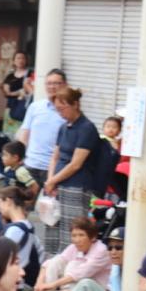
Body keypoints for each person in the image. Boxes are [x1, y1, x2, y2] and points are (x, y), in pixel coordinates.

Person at [42, 86, 101, 254]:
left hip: (76, 185)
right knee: (52, 228)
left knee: (72, 231)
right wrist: (50, 180)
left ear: (75, 104)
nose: (60, 113)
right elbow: (55, 156)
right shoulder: (63, 127)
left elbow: (76, 164)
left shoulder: (86, 128)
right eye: (57, 109)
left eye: (63, 108)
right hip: (57, 184)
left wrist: (53, 180)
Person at [35, 217, 112, 291]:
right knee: (55, 262)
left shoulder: (101, 250)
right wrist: (39, 282)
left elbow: (79, 274)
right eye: (74, 235)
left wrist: (52, 285)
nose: (77, 240)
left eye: (81, 235)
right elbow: (50, 263)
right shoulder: (74, 247)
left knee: (73, 266)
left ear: (93, 237)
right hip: (79, 288)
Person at [17, 68, 67, 187]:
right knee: (24, 204)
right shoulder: (35, 107)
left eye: (56, 83)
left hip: (54, 168)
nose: (52, 87)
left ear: (65, 85)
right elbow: (25, 135)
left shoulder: (67, 110)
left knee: (48, 205)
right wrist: (20, 158)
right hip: (31, 165)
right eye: (49, 83)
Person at [0, 185, 42, 288]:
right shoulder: (28, 226)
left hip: (16, 281)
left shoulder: (15, 230)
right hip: (25, 278)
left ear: (8, 201)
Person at [1, 50, 30, 136]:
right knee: (8, 133)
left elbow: (30, 90)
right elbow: (6, 93)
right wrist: (19, 92)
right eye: (18, 58)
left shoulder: (30, 74)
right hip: (10, 107)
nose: (20, 60)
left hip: (24, 108)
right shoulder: (10, 76)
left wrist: (21, 92)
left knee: (21, 133)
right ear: (14, 61)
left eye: (23, 58)